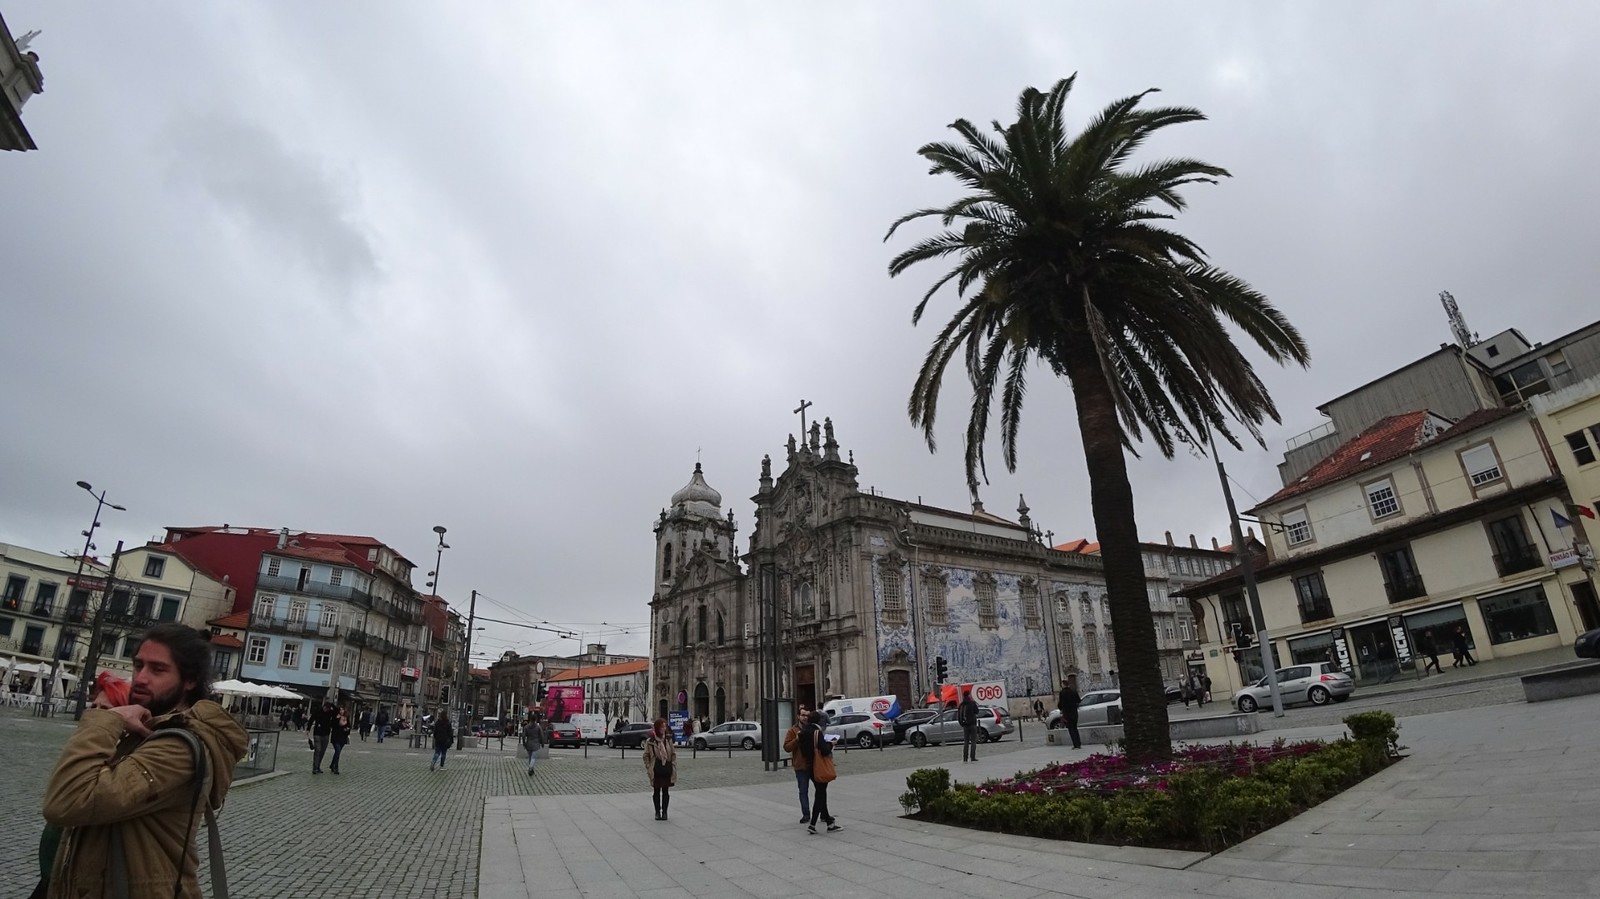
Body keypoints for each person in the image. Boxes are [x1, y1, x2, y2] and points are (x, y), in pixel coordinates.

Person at [40, 624, 248, 899]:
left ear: (190, 680)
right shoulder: (147, 731)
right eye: (139, 665)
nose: (140, 678)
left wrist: (107, 720)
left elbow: (69, 800)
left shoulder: (179, 748)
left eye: (158, 670)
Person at [799, 710, 841, 834]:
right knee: (820, 794)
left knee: (821, 793)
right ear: (819, 721)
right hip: (818, 766)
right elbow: (824, 750)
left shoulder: (803, 732)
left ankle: (829, 821)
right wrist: (831, 744)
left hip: (808, 766)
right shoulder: (816, 732)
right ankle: (813, 824)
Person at [781, 706, 812, 823]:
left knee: (820, 790)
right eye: (803, 715)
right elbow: (786, 747)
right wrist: (797, 739)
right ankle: (806, 814)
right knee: (803, 791)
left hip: (814, 764)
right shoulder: (792, 731)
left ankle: (823, 813)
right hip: (801, 765)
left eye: (807, 715)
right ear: (798, 716)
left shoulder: (813, 728)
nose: (805, 718)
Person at [643, 718, 677, 820]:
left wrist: (673, 764)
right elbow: (646, 756)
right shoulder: (651, 741)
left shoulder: (668, 739)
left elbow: (673, 754)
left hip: (666, 768)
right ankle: (657, 812)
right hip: (656, 769)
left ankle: (665, 812)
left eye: (665, 726)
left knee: (666, 791)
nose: (664, 728)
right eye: (662, 727)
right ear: (657, 728)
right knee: (656, 791)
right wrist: (649, 767)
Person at [309, 701, 336, 774]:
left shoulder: (330, 712)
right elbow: (311, 719)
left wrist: (332, 705)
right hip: (317, 733)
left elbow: (336, 711)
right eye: (325, 708)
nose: (326, 710)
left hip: (326, 734)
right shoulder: (318, 711)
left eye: (327, 708)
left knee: (322, 751)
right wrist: (308, 729)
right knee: (318, 750)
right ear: (323, 706)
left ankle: (318, 766)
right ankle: (315, 767)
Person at [1057, 675, 1082, 750]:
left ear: (1063, 685)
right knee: (1075, 728)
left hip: (1067, 714)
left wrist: (1061, 708)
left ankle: (1075, 744)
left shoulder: (1062, 693)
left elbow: (1060, 704)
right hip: (1074, 712)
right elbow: (1078, 700)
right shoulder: (1073, 691)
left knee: (1071, 729)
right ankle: (1079, 743)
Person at [957, 688, 981, 763]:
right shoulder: (972, 703)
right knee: (973, 741)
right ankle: (972, 757)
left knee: (966, 742)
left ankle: (965, 758)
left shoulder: (961, 704)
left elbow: (959, 715)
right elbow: (977, 711)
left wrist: (962, 724)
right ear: (969, 695)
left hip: (965, 725)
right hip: (972, 724)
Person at [329, 709, 351, 774]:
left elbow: (349, 726)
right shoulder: (335, 717)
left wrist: (347, 730)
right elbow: (332, 725)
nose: (341, 711)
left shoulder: (346, 718)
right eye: (340, 710)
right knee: (338, 751)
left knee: (337, 752)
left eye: (342, 710)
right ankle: (336, 767)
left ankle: (332, 765)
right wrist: (336, 719)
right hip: (335, 737)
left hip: (343, 737)